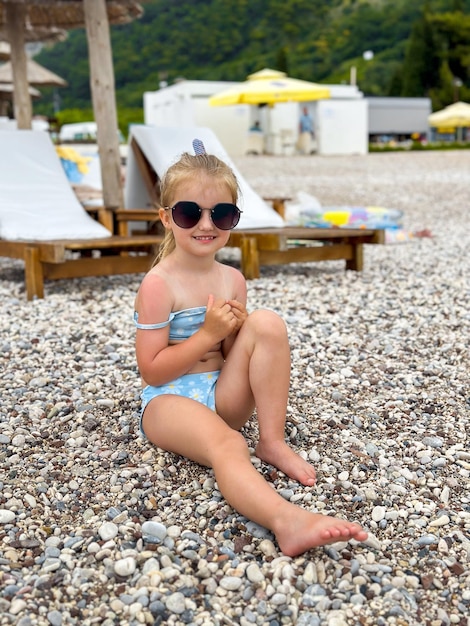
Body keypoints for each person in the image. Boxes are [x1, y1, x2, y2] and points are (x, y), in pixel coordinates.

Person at [133, 139, 368, 557]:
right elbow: (151, 371)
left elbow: (233, 353)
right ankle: (287, 521)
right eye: (190, 213)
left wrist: (232, 336)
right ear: (166, 218)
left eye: (221, 214)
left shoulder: (231, 279)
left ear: (233, 220)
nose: (206, 224)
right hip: (169, 400)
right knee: (228, 445)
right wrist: (205, 336)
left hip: (221, 394)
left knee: (268, 323)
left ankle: (272, 440)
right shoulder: (158, 284)